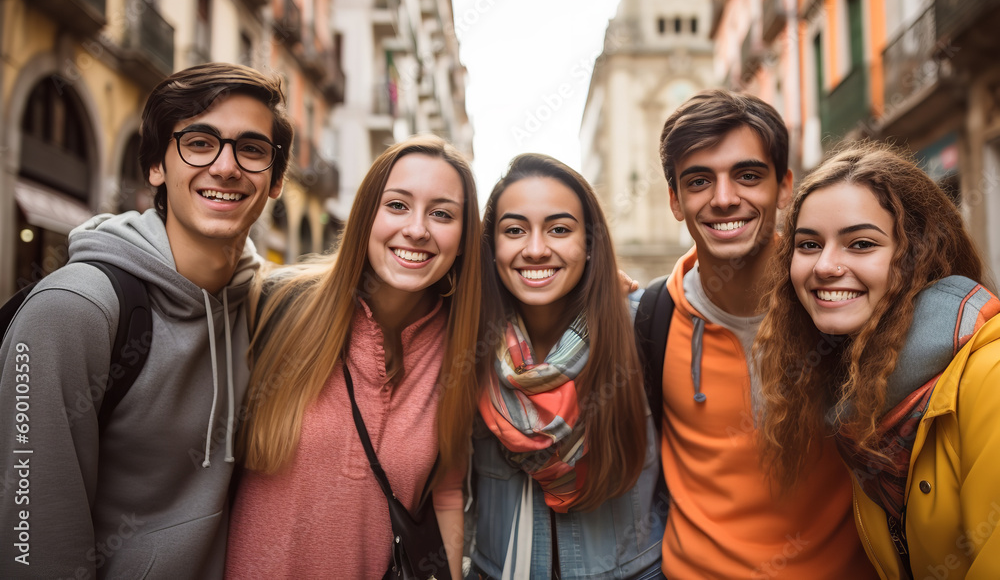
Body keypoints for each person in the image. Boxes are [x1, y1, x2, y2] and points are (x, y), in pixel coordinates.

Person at [0, 62, 293, 578]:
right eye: (200, 142)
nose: (226, 167)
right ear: (157, 165)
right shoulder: (73, 310)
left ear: (275, 180)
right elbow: (31, 539)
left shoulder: (264, 306)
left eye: (251, 149)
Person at [226, 134, 480, 579]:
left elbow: (448, 492)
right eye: (397, 205)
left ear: (462, 239)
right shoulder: (274, 302)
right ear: (366, 215)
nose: (418, 229)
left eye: (441, 214)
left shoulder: (464, 347)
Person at [654, 89, 875, 577]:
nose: (724, 198)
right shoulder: (648, 318)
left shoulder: (846, 302)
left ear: (783, 187)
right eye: (698, 181)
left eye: (748, 175)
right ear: (675, 200)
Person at [755, 142, 1000, 579]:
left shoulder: (990, 377)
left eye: (861, 243)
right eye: (809, 244)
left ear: (918, 256)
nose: (826, 266)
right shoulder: (857, 390)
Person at [468, 153, 664, 579]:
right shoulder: (465, 342)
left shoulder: (647, 324)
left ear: (590, 244)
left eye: (559, 229)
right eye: (515, 230)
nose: (536, 249)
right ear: (491, 246)